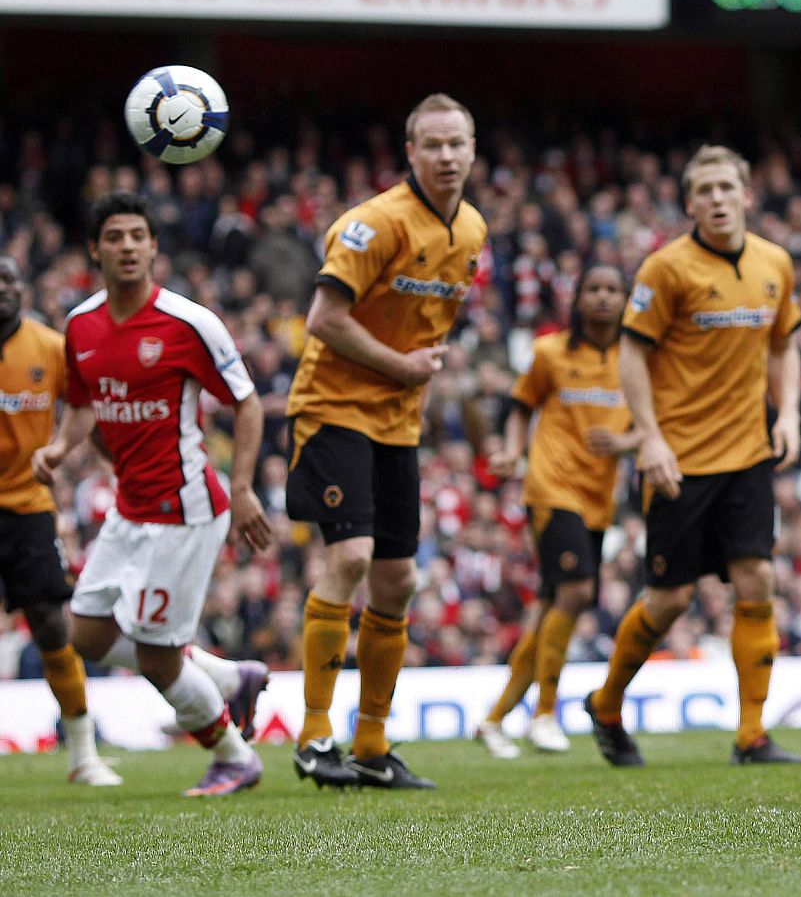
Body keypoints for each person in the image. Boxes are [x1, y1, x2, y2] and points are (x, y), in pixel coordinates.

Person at [32, 192, 274, 798]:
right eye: (114, 237)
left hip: (186, 510)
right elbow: (85, 404)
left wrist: (242, 486)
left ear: (154, 247)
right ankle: (225, 676)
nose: (128, 246)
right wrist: (63, 448)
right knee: (84, 633)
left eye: (138, 235)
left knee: (159, 658)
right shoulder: (81, 325)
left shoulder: (189, 324)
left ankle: (233, 755)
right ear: (95, 249)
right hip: (130, 505)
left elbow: (246, 402)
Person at [285, 93, 488, 790]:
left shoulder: (472, 231)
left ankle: (371, 745)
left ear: (472, 148)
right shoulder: (373, 225)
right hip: (333, 407)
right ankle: (314, 736)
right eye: (432, 144)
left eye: (457, 143)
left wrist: (419, 379)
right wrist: (402, 366)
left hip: (397, 422)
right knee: (351, 557)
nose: (446, 156)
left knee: (397, 580)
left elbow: (427, 324)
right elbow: (323, 318)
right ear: (410, 152)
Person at [583, 145, 801, 768]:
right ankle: (606, 703)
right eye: (703, 190)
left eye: (725, 188)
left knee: (757, 576)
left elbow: (785, 344)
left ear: (746, 195)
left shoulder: (775, 263)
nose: (716, 199)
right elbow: (631, 355)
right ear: (689, 203)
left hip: (748, 453)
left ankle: (751, 734)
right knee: (670, 599)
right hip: (678, 460)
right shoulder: (665, 268)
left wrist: (786, 413)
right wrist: (649, 438)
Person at [477, 264, 638, 758]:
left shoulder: (637, 360)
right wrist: (511, 450)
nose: (604, 297)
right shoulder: (549, 353)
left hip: (598, 497)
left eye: (613, 288)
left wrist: (625, 442)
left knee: (552, 607)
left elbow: (656, 426)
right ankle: (544, 713)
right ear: (579, 297)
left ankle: (494, 718)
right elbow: (521, 406)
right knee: (576, 591)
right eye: (595, 288)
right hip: (551, 487)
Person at [0, 254, 120, 786]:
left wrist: (62, 447)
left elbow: (83, 403)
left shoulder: (48, 346)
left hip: (28, 504)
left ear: (22, 290)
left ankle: (82, 754)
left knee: (51, 621)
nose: (2, 288)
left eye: (9, 279)